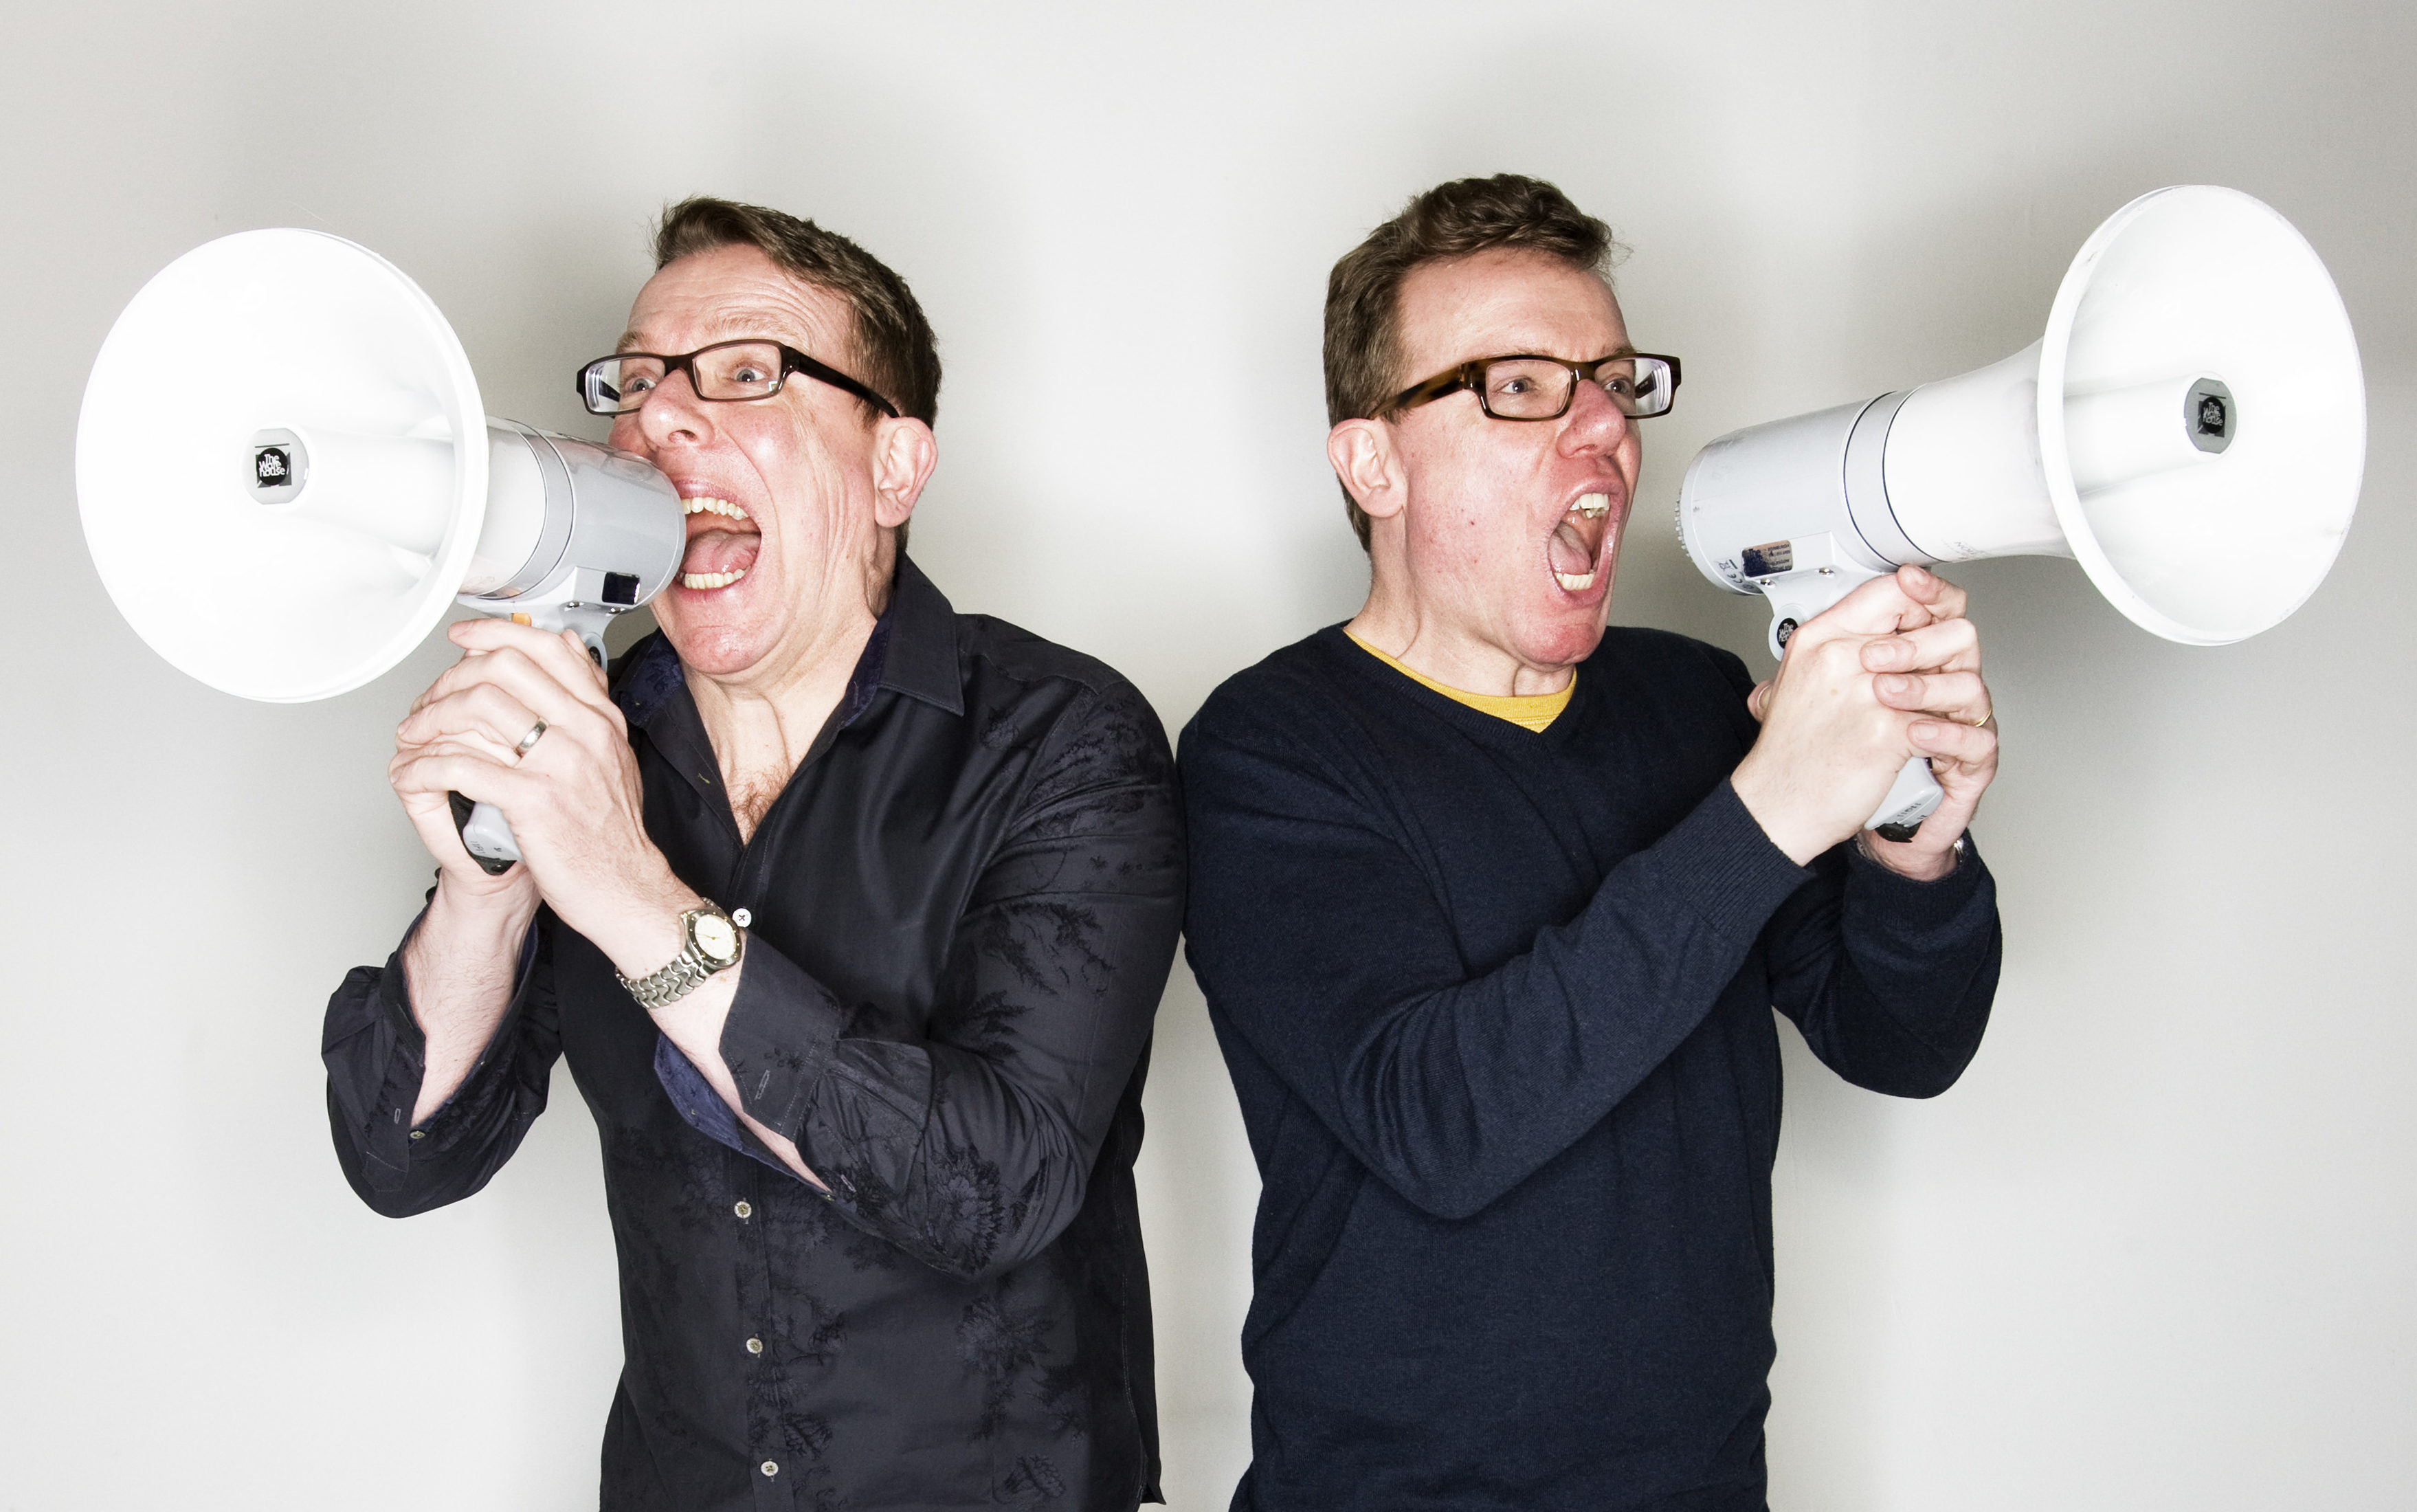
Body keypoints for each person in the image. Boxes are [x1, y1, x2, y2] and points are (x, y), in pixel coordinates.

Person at [323, 197, 1185, 1511]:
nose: (660, 420)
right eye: (641, 382)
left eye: (745, 375)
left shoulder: (1061, 740)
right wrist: (486, 881)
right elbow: (401, 1155)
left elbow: (994, 1190)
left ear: (895, 466)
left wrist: (627, 894)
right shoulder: (597, 744)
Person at [1179, 174, 2003, 1511]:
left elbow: (1901, 1039)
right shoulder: (1269, 751)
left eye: (1616, 382)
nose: (1605, 427)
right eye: (1519, 385)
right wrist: (1774, 805)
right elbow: (1436, 1113)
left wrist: (1916, 840)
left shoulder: (1689, 702)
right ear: (1370, 457)